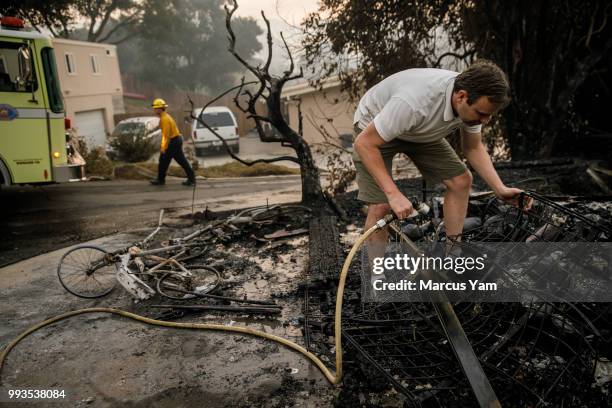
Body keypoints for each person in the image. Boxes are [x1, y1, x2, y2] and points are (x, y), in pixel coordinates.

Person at [353, 60, 531, 245]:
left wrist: (500, 190)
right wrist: (393, 194)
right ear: (461, 96)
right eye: (481, 114)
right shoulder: (414, 102)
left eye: (489, 115)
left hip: (418, 130)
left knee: (461, 181)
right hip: (373, 130)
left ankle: (452, 256)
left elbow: (473, 148)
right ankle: (377, 274)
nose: (485, 120)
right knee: (381, 205)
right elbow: (364, 144)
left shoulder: (471, 103)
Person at [149, 98, 196, 186]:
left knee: (163, 160)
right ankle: (191, 179)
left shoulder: (164, 119)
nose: (154, 110)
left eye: (155, 108)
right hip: (175, 140)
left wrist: (163, 147)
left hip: (172, 142)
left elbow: (166, 136)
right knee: (180, 160)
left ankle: (160, 180)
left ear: (159, 109)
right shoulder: (166, 116)